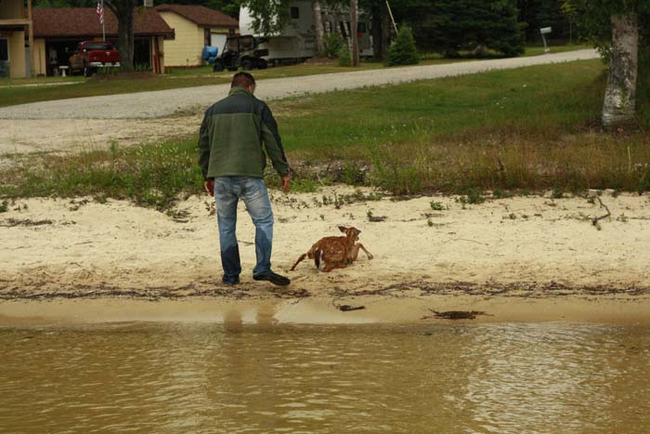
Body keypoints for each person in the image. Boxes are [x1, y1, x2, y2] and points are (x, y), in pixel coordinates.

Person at [198, 72, 292, 286]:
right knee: (263, 221)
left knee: (226, 226)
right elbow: (272, 141)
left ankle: (231, 276)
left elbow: (204, 147)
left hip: (221, 176)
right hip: (250, 176)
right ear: (250, 87)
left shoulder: (212, 110)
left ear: (232, 87)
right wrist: (283, 171)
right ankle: (262, 267)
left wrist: (207, 175)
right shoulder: (258, 107)